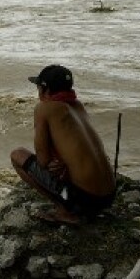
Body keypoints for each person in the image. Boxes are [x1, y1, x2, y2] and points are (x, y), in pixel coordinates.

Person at [11, 64, 116, 224]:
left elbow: (43, 161)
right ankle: (74, 206)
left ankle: (66, 211)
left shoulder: (44, 108)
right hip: (108, 197)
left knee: (17, 155)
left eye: (38, 88)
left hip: (83, 200)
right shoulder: (78, 106)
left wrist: (56, 163)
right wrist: (64, 162)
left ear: (45, 90)